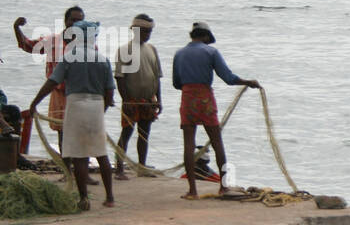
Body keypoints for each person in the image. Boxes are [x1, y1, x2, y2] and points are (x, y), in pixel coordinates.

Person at [27, 20, 116, 210]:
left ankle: (84, 198)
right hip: (96, 106)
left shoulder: (69, 57)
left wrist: (35, 102)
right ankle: (110, 197)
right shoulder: (102, 59)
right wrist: (102, 110)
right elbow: (110, 93)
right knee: (101, 153)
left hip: (75, 105)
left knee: (79, 155)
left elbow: (52, 82)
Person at [172, 21, 261, 200]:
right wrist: (248, 82)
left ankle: (192, 190)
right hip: (205, 98)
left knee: (188, 145)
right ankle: (223, 186)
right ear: (205, 36)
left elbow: (176, 83)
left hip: (188, 97)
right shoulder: (211, 52)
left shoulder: (179, 54)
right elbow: (228, 78)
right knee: (217, 142)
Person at [13, 5, 83, 148]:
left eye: (79, 21)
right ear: (65, 21)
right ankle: (67, 165)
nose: (75, 24)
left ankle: (78, 164)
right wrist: (16, 28)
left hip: (80, 94)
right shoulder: (53, 41)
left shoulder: (87, 45)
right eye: (72, 20)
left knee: (80, 134)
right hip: (59, 93)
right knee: (62, 132)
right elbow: (28, 45)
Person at [113, 14, 162, 179]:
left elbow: (157, 76)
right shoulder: (124, 50)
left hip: (148, 100)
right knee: (126, 132)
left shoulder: (152, 49)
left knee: (144, 133)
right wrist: (125, 99)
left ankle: (142, 166)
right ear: (135, 30)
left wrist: (158, 99)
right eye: (144, 31)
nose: (147, 34)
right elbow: (119, 77)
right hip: (132, 99)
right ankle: (119, 168)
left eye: (149, 31)